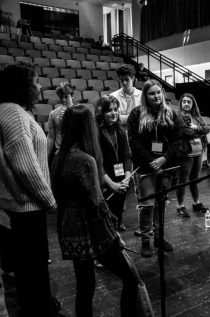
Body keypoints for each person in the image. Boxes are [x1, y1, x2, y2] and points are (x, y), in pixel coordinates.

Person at [52, 105, 140, 317]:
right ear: (88, 127)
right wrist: (114, 235)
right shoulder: (85, 159)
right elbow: (96, 206)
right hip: (90, 229)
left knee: (85, 287)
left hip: (69, 228)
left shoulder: (59, 157)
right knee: (130, 278)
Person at [0, 63, 58, 316]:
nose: (40, 86)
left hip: (22, 205)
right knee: (33, 269)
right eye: (35, 82)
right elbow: (25, 164)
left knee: (28, 269)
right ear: (21, 85)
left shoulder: (13, 111)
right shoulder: (12, 112)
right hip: (26, 206)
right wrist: (48, 199)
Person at [128, 79, 193, 257]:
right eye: (152, 93)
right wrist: (152, 162)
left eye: (158, 92)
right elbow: (134, 142)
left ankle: (159, 237)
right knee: (147, 205)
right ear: (145, 96)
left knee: (161, 204)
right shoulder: (136, 114)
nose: (156, 96)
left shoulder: (171, 113)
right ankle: (146, 241)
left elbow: (178, 139)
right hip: (145, 167)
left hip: (166, 165)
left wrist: (163, 159)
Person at [95, 95, 132, 231]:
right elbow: (98, 163)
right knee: (105, 222)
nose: (114, 113)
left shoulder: (121, 130)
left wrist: (127, 177)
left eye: (116, 109)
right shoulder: (96, 132)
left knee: (116, 216)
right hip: (104, 180)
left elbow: (127, 156)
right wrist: (111, 184)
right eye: (109, 110)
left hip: (120, 178)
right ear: (101, 112)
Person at [175, 93, 210, 217]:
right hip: (186, 153)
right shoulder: (178, 116)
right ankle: (180, 205)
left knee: (195, 179)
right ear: (180, 103)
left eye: (188, 102)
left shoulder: (196, 116)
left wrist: (197, 128)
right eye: (184, 101)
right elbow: (187, 132)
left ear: (192, 104)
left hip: (198, 151)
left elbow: (207, 129)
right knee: (183, 180)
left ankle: (196, 203)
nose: (186, 104)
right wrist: (198, 130)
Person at [47, 82, 76, 158]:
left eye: (66, 97)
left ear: (72, 96)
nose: (63, 100)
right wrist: (45, 158)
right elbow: (51, 137)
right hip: (59, 154)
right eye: (61, 97)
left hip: (76, 154)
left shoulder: (80, 113)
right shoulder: (53, 114)